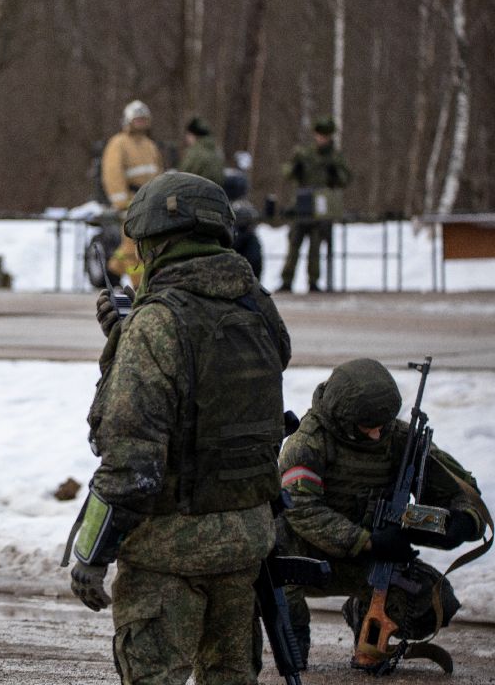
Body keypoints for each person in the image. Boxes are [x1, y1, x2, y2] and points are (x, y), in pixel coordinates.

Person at [69, 171, 291, 684]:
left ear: (153, 243)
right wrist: (130, 335)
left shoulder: (157, 324)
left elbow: (131, 460)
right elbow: (220, 383)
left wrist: (91, 554)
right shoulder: (258, 307)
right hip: (245, 541)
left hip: (170, 549)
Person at [277, 358, 488, 670]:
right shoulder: (307, 445)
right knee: (290, 654)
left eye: (382, 425)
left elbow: (461, 490)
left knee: (432, 603)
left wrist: (462, 522)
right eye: (367, 428)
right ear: (343, 419)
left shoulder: (399, 438)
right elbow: (303, 511)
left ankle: (365, 616)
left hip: (368, 561)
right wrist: (368, 541)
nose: (377, 434)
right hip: (301, 562)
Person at [278, 117, 352, 293]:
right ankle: (287, 280)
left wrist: (335, 174)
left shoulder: (335, 156)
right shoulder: (304, 153)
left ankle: (313, 280)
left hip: (321, 204)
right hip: (302, 203)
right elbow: (287, 172)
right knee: (294, 243)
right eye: (319, 135)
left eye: (325, 136)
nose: (321, 140)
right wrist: (296, 169)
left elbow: (345, 179)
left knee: (315, 245)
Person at [99, 99, 164, 285]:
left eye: (144, 119)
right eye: (137, 119)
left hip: (149, 201)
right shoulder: (118, 144)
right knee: (133, 245)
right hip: (131, 201)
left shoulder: (150, 145)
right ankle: (139, 284)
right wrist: (122, 201)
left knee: (142, 243)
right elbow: (113, 173)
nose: (141, 123)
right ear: (128, 121)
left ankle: (112, 272)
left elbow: (158, 171)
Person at [177, 116, 225, 186]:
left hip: (196, 193)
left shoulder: (194, 153)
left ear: (193, 135)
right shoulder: (216, 151)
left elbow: (182, 177)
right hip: (215, 194)